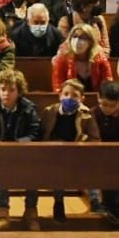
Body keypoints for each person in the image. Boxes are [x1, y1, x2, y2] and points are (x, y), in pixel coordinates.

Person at [0, 68, 43, 230]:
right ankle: (2, 211)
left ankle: (30, 211)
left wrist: (20, 143)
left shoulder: (28, 109)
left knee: (34, 172)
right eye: (3, 89)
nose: (6, 94)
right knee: (0, 171)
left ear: (19, 92)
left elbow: (35, 132)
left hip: (22, 152)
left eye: (11, 90)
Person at [39, 79, 103, 223]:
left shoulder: (86, 115)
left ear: (81, 98)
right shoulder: (49, 112)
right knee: (58, 170)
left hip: (77, 153)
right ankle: (59, 203)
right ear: (60, 95)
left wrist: (83, 145)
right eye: (66, 94)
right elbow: (41, 134)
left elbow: (95, 138)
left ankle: (95, 201)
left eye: (74, 95)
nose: (69, 98)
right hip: (54, 154)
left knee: (90, 167)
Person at [93, 81, 119, 228]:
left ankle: (115, 207)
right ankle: (105, 205)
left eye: (112, 105)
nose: (108, 109)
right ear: (98, 98)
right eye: (104, 104)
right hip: (93, 157)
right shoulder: (91, 115)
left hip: (115, 158)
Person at [52, 25, 113, 93]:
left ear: (91, 42)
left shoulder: (101, 60)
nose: (77, 41)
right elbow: (58, 88)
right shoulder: (62, 60)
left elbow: (107, 87)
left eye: (83, 38)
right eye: (74, 37)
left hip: (97, 101)